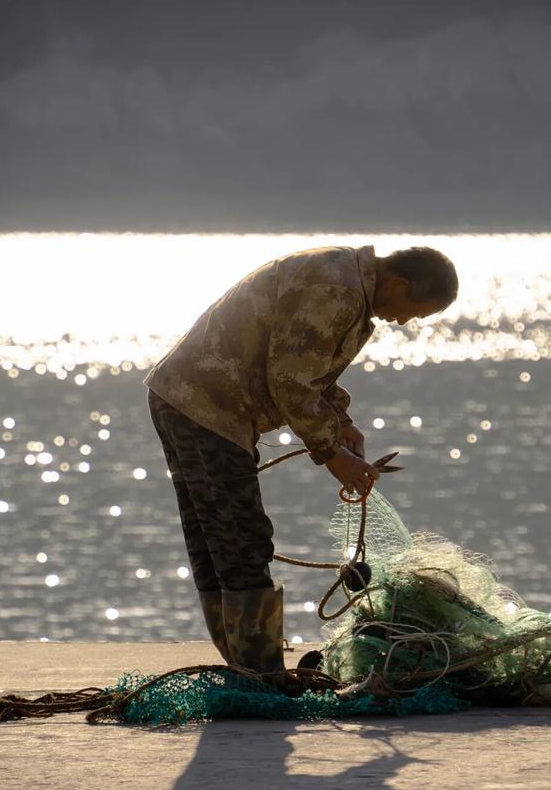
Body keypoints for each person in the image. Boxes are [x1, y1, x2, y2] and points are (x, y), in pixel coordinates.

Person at [144, 244, 458, 679]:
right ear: (398, 284)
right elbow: (290, 381)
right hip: (205, 406)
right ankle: (263, 672)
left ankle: (249, 667)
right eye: (411, 311)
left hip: (191, 400)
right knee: (239, 536)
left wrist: (340, 422)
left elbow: (306, 369)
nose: (403, 321)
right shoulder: (337, 289)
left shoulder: (347, 282)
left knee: (216, 533)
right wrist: (333, 456)